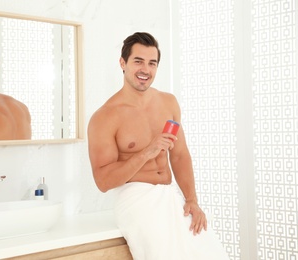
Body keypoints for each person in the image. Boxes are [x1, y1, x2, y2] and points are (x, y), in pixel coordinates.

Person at [87, 32, 229, 259]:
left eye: (152, 63)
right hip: (136, 199)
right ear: (123, 63)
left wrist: (191, 200)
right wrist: (146, 153)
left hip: (171, 195)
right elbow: (103, 181)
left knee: (210, 252)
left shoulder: (168, 102)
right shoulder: (105, 117)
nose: (146, 69)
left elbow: (180, 155)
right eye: (138, 61)